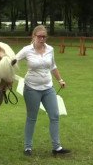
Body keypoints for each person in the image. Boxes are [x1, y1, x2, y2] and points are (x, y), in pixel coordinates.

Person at [15, 25, 71, 156]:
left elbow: (52, 66)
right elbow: (13, 61)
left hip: (48, 88)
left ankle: (56, 148)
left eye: (44, 36)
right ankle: (28, 147)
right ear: (33, 36)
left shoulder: (50, 49)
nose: (42, 39)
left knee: (55, 115)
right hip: (31, 88)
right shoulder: (26, 50)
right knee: (32, 118)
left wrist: (60, 80)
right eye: (39, 36)